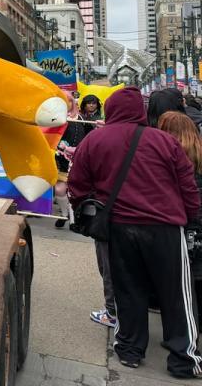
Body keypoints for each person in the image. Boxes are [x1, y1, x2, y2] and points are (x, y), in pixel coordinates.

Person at [68, 87, 202, 377]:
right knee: (177, 294)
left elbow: (77, 183)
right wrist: (190, 219)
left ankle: (129, 351)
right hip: (165, 227)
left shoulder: (96, 139)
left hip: (119, 227)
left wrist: (85, 209)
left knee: (128, 290)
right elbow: (187, 184)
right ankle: (183, 359)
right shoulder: (165, 141)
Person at [158, 111, 202, 322]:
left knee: (182, 287)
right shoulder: (198, 154)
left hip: (180, 229)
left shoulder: (167, 157)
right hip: (196, 227)